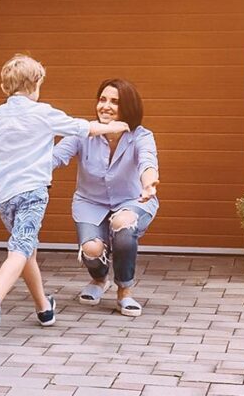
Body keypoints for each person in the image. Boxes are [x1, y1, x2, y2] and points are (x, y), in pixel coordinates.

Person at [0, 54, 130, 339]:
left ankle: (44, 309)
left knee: (26, 249)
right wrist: (114, 127)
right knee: (21, 248)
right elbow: (83, 128)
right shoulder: (42, 112)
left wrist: (1, 170)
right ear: (36, 84)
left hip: (3, 195)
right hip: (31, 193)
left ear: (4, 87)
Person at [52, 78, 159, 317]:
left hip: (132, 200)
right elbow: (55, 157)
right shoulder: (84, 133)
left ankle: (125, 291)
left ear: (128, 107)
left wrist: (149, 184)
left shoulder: (141, 135)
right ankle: (100, 280)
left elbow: (147, 162)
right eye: (102, 100)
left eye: (114, 102)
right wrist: (16, 172)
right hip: (90, 201)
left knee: (123, 224)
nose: (106, 106)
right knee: (91, 249)